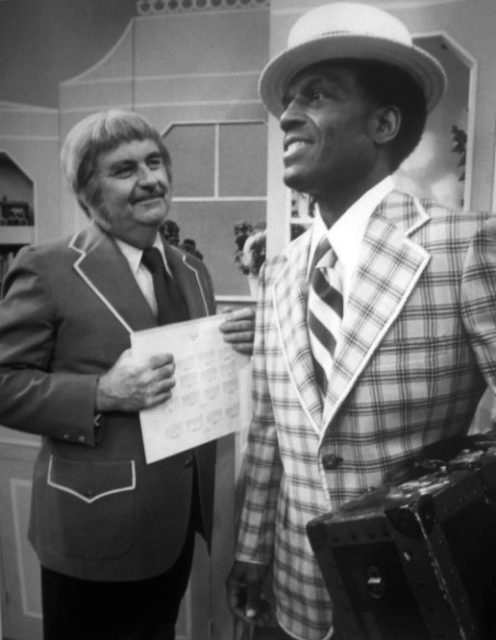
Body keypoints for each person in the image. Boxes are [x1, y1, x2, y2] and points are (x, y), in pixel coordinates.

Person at [226, 3, 496, 640]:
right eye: (288, 100)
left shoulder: (465, 247)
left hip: (418, 596)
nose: (286, 116)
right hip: (295, 593)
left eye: (316, 95)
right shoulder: (279, 269)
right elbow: (268, 426)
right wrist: (251, 549)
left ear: (383, 123)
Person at [0, 108, 254, 640]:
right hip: (91, 527)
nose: (150, 179)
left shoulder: (191, 268)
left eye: (155, 162)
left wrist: (238, 346)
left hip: (180, 522)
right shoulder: (45, 268)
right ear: (88, 191)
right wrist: (101, 392)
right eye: (125, 169)